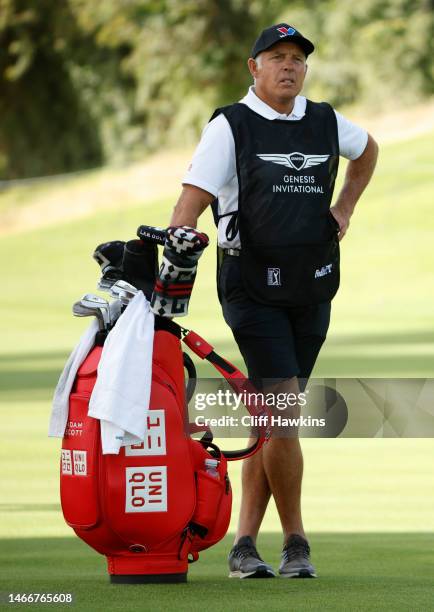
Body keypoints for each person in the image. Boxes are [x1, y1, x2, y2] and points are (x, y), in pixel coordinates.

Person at [169, 23, 378, 579]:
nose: (289, 66)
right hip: (251, 285)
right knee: (285, 412)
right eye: (276, 57)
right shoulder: (229, 126)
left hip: (312, 283)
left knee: (270, 415)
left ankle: (242, 548)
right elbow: (189, 205)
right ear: (253, 66)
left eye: (297, 58)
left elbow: (367, 149)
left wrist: (346, 206)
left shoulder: (325, 119)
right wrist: (179, 248)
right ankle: (296, 542)